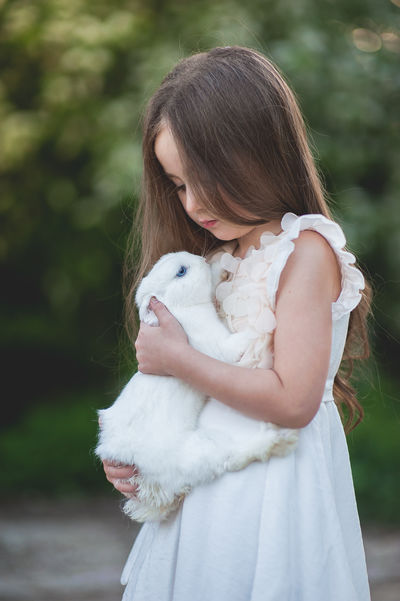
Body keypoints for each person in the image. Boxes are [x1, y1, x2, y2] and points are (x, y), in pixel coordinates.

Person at [102, 46, 372, 600]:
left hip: (274, 495)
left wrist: (181, 358)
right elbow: (185, 396)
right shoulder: (215, 264)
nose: (193, 202)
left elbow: (293, 400)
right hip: (202, 497)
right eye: (178, 184)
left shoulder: (306, 251)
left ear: (261, 150)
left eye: (205, 176)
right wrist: (141, 450)